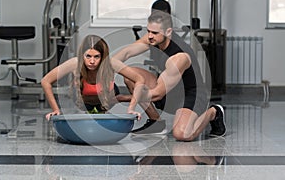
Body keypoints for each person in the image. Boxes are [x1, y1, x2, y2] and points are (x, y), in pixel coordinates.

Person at [112, 10, 226, 141]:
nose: (149, 36)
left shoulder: (180, 57)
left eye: (154, 32)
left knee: (182, 134)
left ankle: (214, 112)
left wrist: (121, 99)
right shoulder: (152, 39)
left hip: (190, 95)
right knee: (130, 76)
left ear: (168, 32)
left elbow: (157, 94)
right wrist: (106, 74)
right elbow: (125, 53)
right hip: (170, 91)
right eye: (148, 31)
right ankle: (156, 123)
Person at [41, 34, 144, 120]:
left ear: (103, 57)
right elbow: (46, 81)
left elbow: (139, 79)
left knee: (113, 97)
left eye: (97, 57)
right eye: (88, 56)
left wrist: (131, 108)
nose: (92, 61)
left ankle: (120, 98)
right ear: (82, 55)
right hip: (83, 99)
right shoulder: (75, 63)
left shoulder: (111, 63)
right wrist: (56, 110)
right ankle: (120, 99)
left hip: (106, 97)